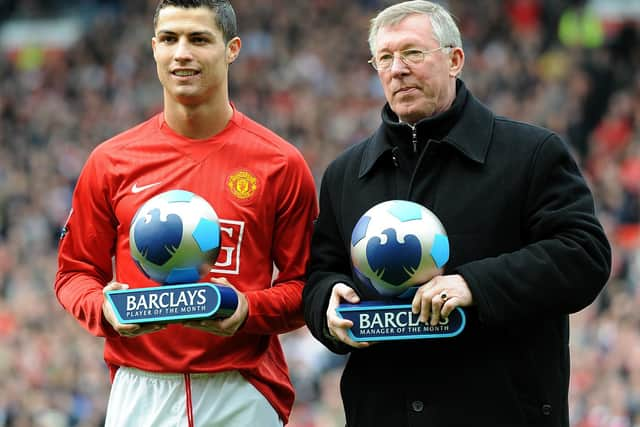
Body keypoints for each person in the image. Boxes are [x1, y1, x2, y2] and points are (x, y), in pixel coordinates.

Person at [302, 1, 611, 426]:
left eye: (412, 53)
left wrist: (475, 285)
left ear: (454, 59)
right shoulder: (345, 174)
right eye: (385, 58)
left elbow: (583, 257)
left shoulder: (530, 154)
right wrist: (327, 305)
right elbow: (320, 274)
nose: (397, 69)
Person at [54, 1, 318, 426]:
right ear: (154, 47)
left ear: (232, 49)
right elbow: (73, 273)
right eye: (170, 39)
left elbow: (306, 286)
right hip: (140, 390)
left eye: (198, 39)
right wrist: (101, 307)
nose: (182, 53)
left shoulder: (280, 164)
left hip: (242, 388)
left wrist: (247, 311)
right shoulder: (110, 161)